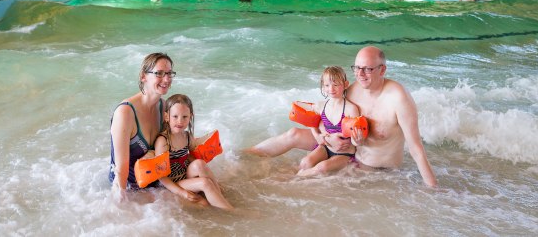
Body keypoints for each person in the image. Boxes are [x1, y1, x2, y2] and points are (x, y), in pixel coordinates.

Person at [246, 46, 438, 187]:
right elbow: (328, 115)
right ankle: (242, 157)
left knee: (312, 179)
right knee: (293, 134)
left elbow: (416, 149)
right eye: (357, 68)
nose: (360, 74)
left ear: (383, 70)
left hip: (369, 167)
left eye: (368, 69)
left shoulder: (398, 99)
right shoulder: (354, 89)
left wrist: (434, 190)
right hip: (338, 147)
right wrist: (326, 137)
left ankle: (283, 181)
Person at [109, 53, 175, 200]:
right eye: (159, 73)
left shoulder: (163, 107)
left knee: (201, 196)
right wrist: (122, 202)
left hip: (155, 183)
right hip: (129, 188)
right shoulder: (125, 112)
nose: (166, 79)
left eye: (169, 74)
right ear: (143, 76)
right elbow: (121, 169)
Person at [154, 94, 234, 210]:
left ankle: (218, 194)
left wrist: (210, 179)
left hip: (184, 175)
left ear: (190, 117)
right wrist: (182, 193)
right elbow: (161, 176)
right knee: (204, 187)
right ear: (167, 117)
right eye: (175, 116)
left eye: (184, 117)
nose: (180, 121)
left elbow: (191, 157)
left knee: (199, 163)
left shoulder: (186, 136)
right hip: (171, 183)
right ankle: (231, 211)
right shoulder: (163, 141)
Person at [296, 66, 359, 177]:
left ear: (345, 84)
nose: (331, 89)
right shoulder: (321, 106)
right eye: (327, 85)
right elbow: (311, 122)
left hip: (345, 153)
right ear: (323, 87)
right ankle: (297, 181)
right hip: (325, 147)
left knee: (322, 168)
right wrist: (318, 136)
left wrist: (356, 140)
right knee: (305, 163)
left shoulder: (350, 109)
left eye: (336, 85)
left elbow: (355, 139)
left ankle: (293, 179)